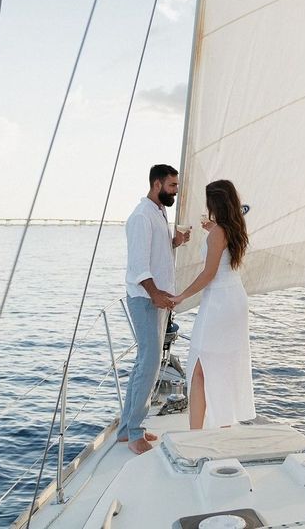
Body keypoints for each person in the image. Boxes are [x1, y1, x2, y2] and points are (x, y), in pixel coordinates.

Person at [118, 164, 190, 454]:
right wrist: (156, 294)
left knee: (145, 364)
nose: (176, 191)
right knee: (148, 364)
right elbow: (138, 266)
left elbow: (156, 253)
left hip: (157, 298)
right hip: (146, 298)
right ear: (157, 184)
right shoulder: (141, 217)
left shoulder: (160, 212)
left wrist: (175, 242)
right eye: (172, 186)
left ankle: (126, 429)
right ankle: (134, 432)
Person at [174, 180, 256, 429]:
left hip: (218, 303)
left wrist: (181, 296)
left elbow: (209, 273)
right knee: (223, 364)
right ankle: (223, 425)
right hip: (235, 299)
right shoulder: (233, 227)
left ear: (215, 202)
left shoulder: (219, 232)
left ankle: (196, 433)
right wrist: (212, 228)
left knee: (200, 367)